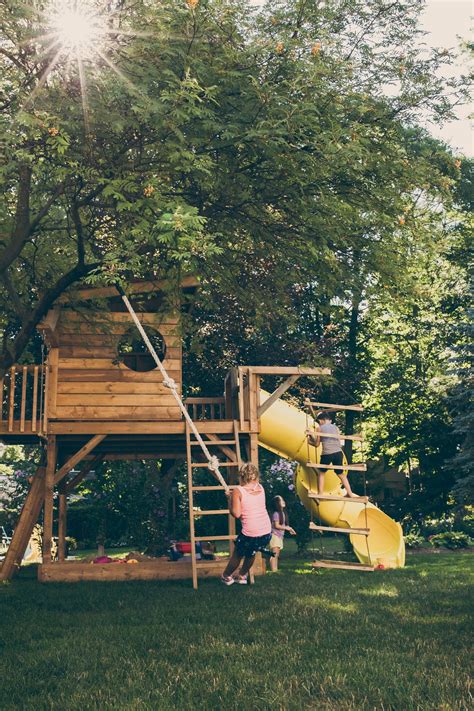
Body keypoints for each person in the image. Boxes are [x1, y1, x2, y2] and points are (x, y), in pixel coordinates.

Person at [221, 462, 272, 585]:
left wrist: (230, 499)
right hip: (266, 531)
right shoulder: (261, 488)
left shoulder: (238, 491)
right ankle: (242, 575)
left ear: (242, 476)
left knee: (238, 554)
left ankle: (226, 576)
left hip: (251, 533)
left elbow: (236, 514)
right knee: (251, 552)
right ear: (256, 476)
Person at [306, 411, 358, 497]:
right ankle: (350, 493)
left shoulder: (319, 428)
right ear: (328, 420)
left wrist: (310, 439)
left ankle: (320, 494)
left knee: (321, 473)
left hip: (327, 453)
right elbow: (336, 440)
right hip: (338, 453)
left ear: (322, 420)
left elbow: (316, 444)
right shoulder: (335, 428)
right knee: (341, 474)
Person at [269, 495, 296, 572]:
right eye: (281, 500)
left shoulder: (282, 513)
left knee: (276, 554)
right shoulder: (276, 514)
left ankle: (275, 569)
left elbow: (283, 525)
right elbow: (276, 525)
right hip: (275, 536)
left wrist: (289, 529)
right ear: (277, 504)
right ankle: (274, 570)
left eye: (283, 499)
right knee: (274, 554)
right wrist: (288, 528)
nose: (283, 501)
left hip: (279, 536)